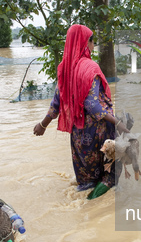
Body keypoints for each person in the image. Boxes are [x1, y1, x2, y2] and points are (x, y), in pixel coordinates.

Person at [33, 24, 128, 200]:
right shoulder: (90, 68)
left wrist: (42, 125)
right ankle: (92, 205)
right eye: (92, 42)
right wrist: (118, 123)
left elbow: (56, 104)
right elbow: (92, 105)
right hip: (97, 133)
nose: (93, 46)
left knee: (85, 182)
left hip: (78, 137)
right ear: (86, 43)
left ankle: (83, 214)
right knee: (110, 175)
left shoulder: (65, 69)